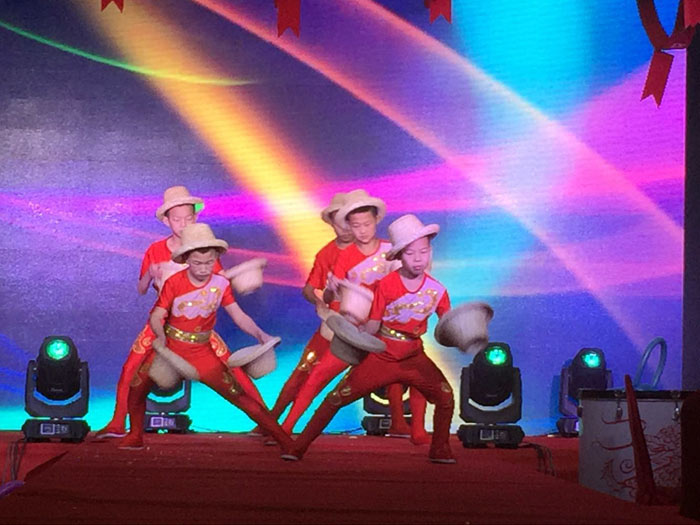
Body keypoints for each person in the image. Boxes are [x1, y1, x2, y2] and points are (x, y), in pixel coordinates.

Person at [282, 214, 456, 464]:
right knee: (337, 398)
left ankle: (440, 449)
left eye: (424, 251)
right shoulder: (386, 285)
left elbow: (447, 327)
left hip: (414, 357)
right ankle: (298, 446)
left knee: (445, 397)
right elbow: (373, 324)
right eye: (410, 253)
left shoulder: (438, 290)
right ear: (399, 256)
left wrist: (462, 334)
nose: (418, 259)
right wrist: (353, 337)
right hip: (382, 354)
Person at [95, 186, 264, 439]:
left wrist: (238, 278)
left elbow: (220, 285)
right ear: (166, 221)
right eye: (177, 219)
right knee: (130, 369)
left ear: (195, 218)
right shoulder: (155, 250)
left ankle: (265, 420)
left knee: (232, 370)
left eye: (188, 218)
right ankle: (118, 423)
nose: (183, 224)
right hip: (161, 324)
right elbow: (141, 288)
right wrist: (150, 273)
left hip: (196, 327)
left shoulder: (204, 250)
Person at [118, 223, 293, 450]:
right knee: (137, 388)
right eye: (198, 263)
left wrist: (261, 335)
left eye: (209, 263)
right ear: (187, 260)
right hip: (170, 346)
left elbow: (239, 315)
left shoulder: (221, 284)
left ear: (215, 259)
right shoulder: (174, 282)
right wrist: (161, 339)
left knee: (239, 397)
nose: (203, 268)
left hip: (201, 352)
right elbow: (158, 315)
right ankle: (135, 436)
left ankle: (286, 442)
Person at [278, 189, 416, 437]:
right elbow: (320, 292)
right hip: (348, 327)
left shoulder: (390, 250)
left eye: (366, 224)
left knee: (402, 371)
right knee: (314, 374)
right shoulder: (339, 255)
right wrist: (329, 293)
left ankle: (402, 424)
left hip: (384, 327)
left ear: (375, 221)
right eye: (354, 224)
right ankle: (283, 426)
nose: (360, 230)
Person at [264, 193, 353, 427]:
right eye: (338, 221)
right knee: (304, 371)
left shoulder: (377, 251)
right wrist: (320, 300)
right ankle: (273, 422)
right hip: (334, 326)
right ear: (331, 223)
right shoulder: (326, 253)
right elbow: (309, 288)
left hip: (370, 327)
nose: (344, 227)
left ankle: (400, 424)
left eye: (348, 220)